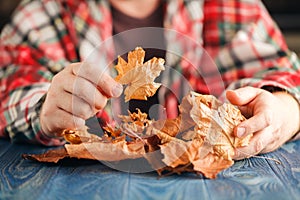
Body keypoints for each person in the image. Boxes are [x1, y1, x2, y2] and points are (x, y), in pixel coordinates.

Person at [0, 0, 299, 160]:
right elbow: (12, 90)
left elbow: (284, 74)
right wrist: (44, 108)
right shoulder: (44, 12)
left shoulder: (229, 5)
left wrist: (283, 111)